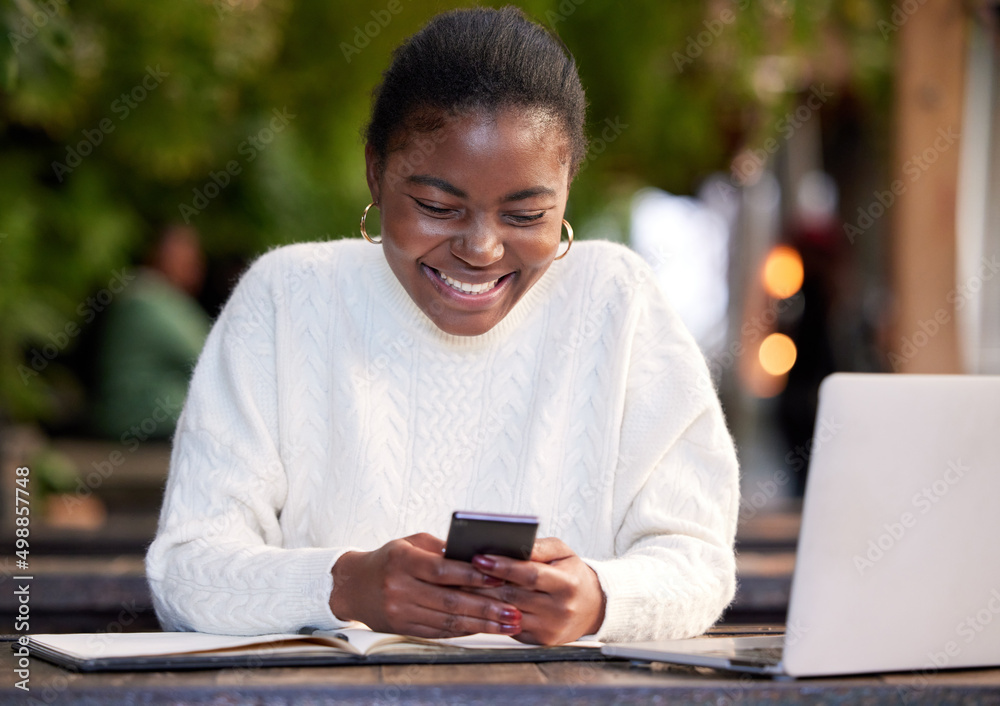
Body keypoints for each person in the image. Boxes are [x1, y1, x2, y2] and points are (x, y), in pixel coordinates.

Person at [146, 6, 739, 645]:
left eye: (526, 214)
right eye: (436, 207)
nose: (481, 249)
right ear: (376, 171)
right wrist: (344, 587)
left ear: (566, 189)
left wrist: (600, 598)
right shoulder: (287, 300)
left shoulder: (618, 304)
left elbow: (698, 559)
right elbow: (185, 568)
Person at [90, 224, 210, 440]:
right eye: (184, 256)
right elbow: (206, 353)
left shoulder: (162, 298)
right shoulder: (146, 299)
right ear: (157, 254)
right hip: (141, 418)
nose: (194, 265)